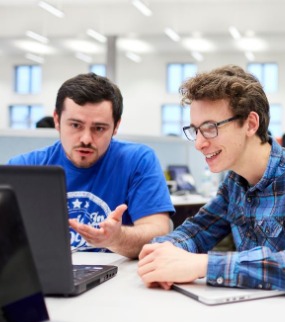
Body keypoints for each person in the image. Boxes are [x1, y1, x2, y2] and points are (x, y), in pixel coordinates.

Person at [137, 64, 285, 319]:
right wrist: (162, 252)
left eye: (210, 127)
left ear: (251, 123)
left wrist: (205, 265)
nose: (198, 143)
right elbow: (195, 232)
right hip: (258, 316)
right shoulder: (234, 183)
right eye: (195, 130)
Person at [8, 73, 174, 258]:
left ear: (116, 126)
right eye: (76, 125)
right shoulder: (25, 167)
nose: (86, 139)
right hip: (45, 277)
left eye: (99, 128)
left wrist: (116, 238)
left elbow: (159, 232)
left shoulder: (137, 160)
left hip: (117, 279)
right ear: (57, 120)